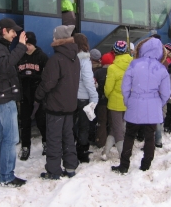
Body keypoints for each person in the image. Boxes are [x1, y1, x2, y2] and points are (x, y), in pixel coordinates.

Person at [112, 38, 170, 174]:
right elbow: (166, 93)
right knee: (150, 136)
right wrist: (157, 103)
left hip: (135, 104)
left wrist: (129, 102)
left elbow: (125, 88)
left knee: (130, 135)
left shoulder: (133, 65)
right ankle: (146, 165)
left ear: (142, 48)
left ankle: (124, 165)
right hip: (153, 106)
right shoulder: (161, 68)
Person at [0, 18, 27, 187]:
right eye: (13, 32)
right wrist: (21, 47)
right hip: (4, 96)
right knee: (11, 137)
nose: (15, 35)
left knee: (0, 132)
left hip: (2, 94)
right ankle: (7, 176)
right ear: (4, 31)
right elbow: (5, 65)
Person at [35, 25, 80, 180]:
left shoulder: (56, 60)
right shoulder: (75, 58)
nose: (52, 39)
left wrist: (38, 95)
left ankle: (53, 171)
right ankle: (70, 167)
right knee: (68, 136)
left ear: (59, 40)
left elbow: (48, 83)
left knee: (54, 138)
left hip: (55, 106)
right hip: (70, 105)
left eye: (55, 37)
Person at [17, 32, 49, 161]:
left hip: (38, 95)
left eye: (29, 44)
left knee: (41, 120)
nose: (27, 47)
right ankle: (25, 147)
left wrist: (36, 80)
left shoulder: (41, 56)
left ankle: (46, 143)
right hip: (24, 95)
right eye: (25, 44)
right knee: (25, 122)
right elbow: (15, 73)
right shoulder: (20, 56)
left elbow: (47, 77)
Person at [101, 41, 132, 161]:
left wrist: (109, 96)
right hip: (128, 100)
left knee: (118, 130)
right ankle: (105, 151)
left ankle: (122, 155)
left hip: (115, 102)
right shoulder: (132, 65)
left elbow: (108, 88)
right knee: (115, 127)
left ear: (114, 51)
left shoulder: (112, 68)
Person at [73, 33, 99, 163]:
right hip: (83, 98)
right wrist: (94, 96)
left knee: (70, 125)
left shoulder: (70, 57)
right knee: (83, 126)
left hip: (71, 97)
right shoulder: (85, 60)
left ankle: (69, 150)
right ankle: (82, 153)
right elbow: (88, 81)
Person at [94, 52, 115, 148]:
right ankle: (113, 140)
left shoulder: (98, 72)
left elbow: (94, 84)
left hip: (101, 100)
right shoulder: (113, 71)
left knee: (101, 121)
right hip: (112, 100)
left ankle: (100, 141)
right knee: (112, 121)